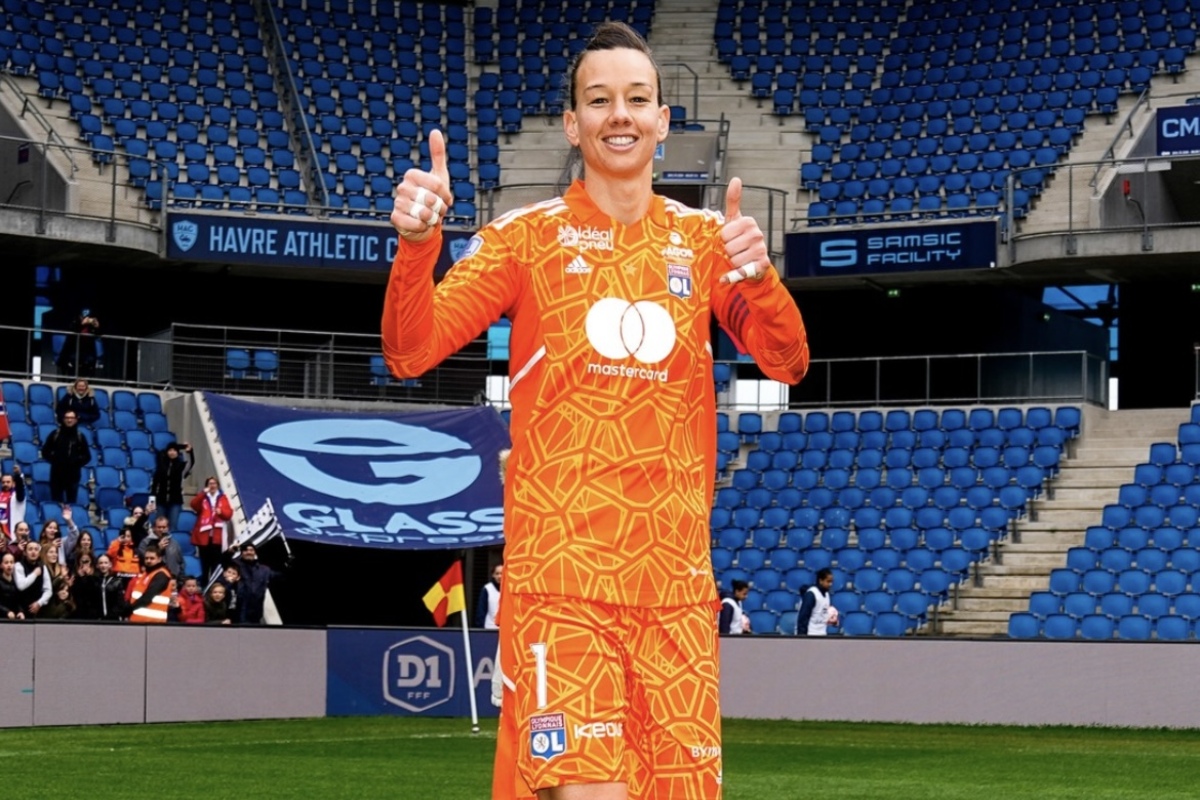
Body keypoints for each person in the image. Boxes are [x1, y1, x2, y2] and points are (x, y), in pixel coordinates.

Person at [381, 22, 809, 800]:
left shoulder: (708, 243)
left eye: (637, 99)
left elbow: (788, 363)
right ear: (573, 125)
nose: (621, 115)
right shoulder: (526, 240)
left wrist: (761, 278)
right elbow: (411, 351)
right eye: (600, 100)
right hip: (563, 582)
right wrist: (418, 246)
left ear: (663, 120)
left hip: (677, 595)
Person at [40, 410, 91, 506]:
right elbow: (45, 452)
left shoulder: (80, 436)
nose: (69, 420)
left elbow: (87, 456)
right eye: (67, 418)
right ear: (63, 419)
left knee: (71, 503)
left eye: (72, 418)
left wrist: (76, 463)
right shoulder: (55, 434)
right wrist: (55, 460)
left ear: (76, 420)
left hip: (73, 476)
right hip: (56, 474)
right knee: (56, 502)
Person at [190, 476, 233, 581]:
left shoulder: (223, 498)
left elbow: (229, 514)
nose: (212, 485)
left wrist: (221, 512)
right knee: (204, 563)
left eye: (214, 483)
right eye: (210, 483)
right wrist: (202, 494)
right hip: (204, 536)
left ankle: (213, 584)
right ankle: (204, 584)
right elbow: (194, 505)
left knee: (215, 563)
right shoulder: (203, 497)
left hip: (217, 537)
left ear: (218, 485)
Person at [124, 543, 175, 624]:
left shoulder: (161, 575)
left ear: (159, 559)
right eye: (146, 558)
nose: (148, 561)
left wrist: (129, 609)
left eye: (152, 558)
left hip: (153, 622)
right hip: (139, 620)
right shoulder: (146, 574)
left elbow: (148, 596)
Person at [151, 441, 194, 531]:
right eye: (170, 450)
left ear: (178, 453)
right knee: (159, 526)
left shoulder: (181, 467)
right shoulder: (161, 465)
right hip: (161, 500)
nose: (172, 452)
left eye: (175, 450)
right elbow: (155, 484)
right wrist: (152, 500)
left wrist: (189, 451)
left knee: (172, 527)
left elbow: (190, 463)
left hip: (175, 501)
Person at [233, 543, 279, 625]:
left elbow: (279, 576)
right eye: (246, 550)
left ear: (255, 552)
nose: (249, 552)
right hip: (239, 610)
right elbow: (224, 561)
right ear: (241, 553)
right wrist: (231, 551)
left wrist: (288, 565)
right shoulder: (235, 565)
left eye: (251, 550)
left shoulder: (264, 569)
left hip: (256, 612)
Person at [73, 552, 126, 620]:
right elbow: (86, 599)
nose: (103, 565)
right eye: (101, 563)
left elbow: (120, 602)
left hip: (113, 619)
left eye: (106, 563)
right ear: (97, 565)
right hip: (97, 619)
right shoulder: (93, 581)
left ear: (110, 565)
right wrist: (82, 578)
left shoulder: (117, 581)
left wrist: (111, 616)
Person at [56, 308, 101, 377]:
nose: (86, 319)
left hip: (88, 352)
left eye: (88, 317)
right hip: (73, 350)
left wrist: (97, 327)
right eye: (83, 317)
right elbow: (72, 331)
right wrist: (81, 324)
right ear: (80, 316)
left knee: (91, 361)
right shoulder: (75, 322)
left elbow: (99, 334)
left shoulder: (91, 326)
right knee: (71, 361)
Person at [138, 515, 185, 580]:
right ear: (154, 528)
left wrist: (180, 576)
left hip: (173, 579)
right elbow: (144, 560)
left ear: (168, 528)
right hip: (153, 578)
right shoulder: (145, 542)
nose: (161, 530)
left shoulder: (174, 543)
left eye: (164, 527)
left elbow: (181, 562)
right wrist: (158, 548)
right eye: (159, 527)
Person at [14, 539, 51, 617]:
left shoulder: (43, 567)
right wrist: (34, 574)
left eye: (36, 549)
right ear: (24, 553)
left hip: (38, 608)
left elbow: (48, 590)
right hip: (21, 609)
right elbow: (21, 586)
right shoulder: (18, 565)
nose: (33, 552)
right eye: (30, 549)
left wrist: (39, 603)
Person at [795, 568, 837, 636]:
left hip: (822, 634)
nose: (830, 584)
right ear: (821, 581)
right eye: (828, 581)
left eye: (831, 582)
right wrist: (802, 638)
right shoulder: (812, 595)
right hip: (810, 634)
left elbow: (821, 613)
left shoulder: (827, 595)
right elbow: (803, 617)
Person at [0, 466, 27, 544]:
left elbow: (20, 489)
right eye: (3, 482)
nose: (5, 484)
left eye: (8, 482)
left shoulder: (17, 496)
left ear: (14, 483)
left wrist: (18, 475)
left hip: (14, 537)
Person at [475, 561, 503, 629]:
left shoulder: (510, 589)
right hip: (490, 628)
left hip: (506, 630)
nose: (499, 576)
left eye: (502, 573)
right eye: (497, 573)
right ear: (493, 575)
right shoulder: (487, 589)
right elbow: (481, 611)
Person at [0, 551, 25, 619]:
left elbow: (19, 600)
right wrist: (7, 612)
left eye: (11, 562)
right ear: (1, 565)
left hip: (14, 617)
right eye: (6, 562)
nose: (9, 565)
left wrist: (20, 611)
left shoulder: (17, 581)